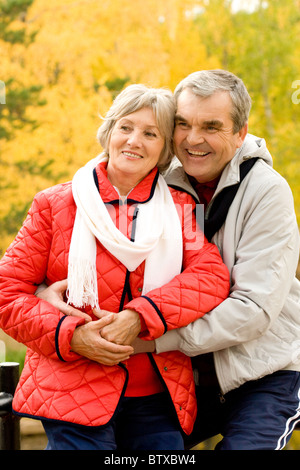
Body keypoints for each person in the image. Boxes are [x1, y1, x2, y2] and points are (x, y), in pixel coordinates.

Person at [0, 84, 230, 450]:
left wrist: (141, 316)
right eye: (125, 127)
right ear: (108, 133)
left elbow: (211, 277)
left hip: (158, 395)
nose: (134, 141)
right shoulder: (54, 204)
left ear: (165, 148)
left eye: (150, 133)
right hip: (71, 389)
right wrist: (71, 335)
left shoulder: (181, 206)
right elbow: (7, 293)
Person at [149, 70, 300, 450]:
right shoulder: (158, 182)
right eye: (182, 124)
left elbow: (253, 309)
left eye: (211, 126)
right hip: (183, 375)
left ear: (240, 133)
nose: (193, 139)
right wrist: (50, 292)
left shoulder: (268, 191)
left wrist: (154, 342)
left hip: (266, 371)